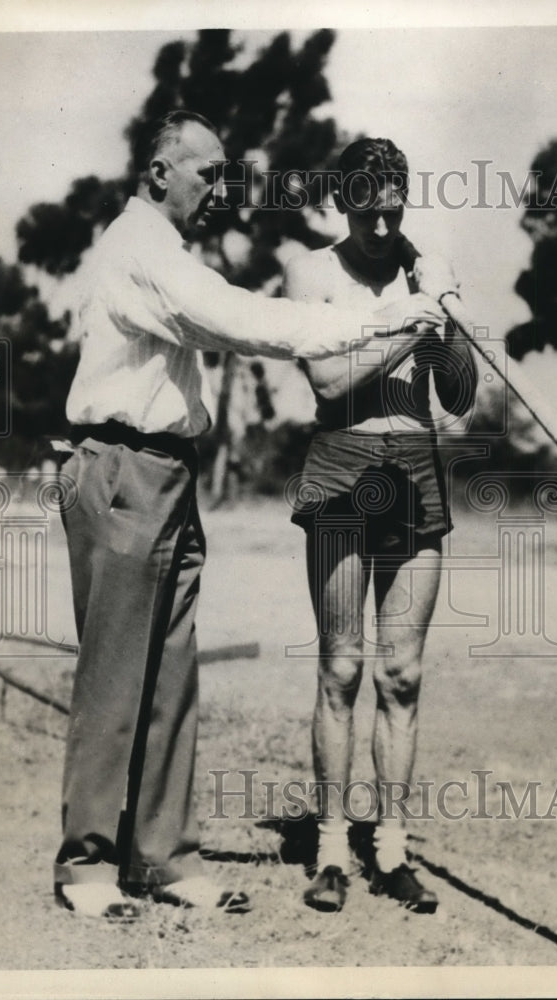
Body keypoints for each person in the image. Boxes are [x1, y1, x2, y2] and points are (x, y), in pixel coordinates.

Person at [54, 111, 447, 922]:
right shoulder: (140, 247)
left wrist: (414, 316)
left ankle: (165, 858)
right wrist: (388, 318)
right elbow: (243, 321)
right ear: (161, 171)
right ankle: (88, 867)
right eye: (207, 173)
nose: (219, 190)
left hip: (167, 472)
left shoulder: (169, 249)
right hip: (119, 467)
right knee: (114, 679)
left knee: (170, 679)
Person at [284, 137, 478, 913]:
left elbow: (458, 397)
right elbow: (329, 380)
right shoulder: (311, 274)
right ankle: (332, 848)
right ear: (344, 200)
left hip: (416, 473)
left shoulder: (424, 271)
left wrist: (451, 318)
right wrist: (410, 322)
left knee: (402, 675)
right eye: (368, 204)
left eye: (395, 202)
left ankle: (391, 849)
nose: (383, 217)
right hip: (340, 468)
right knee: (341, 669)